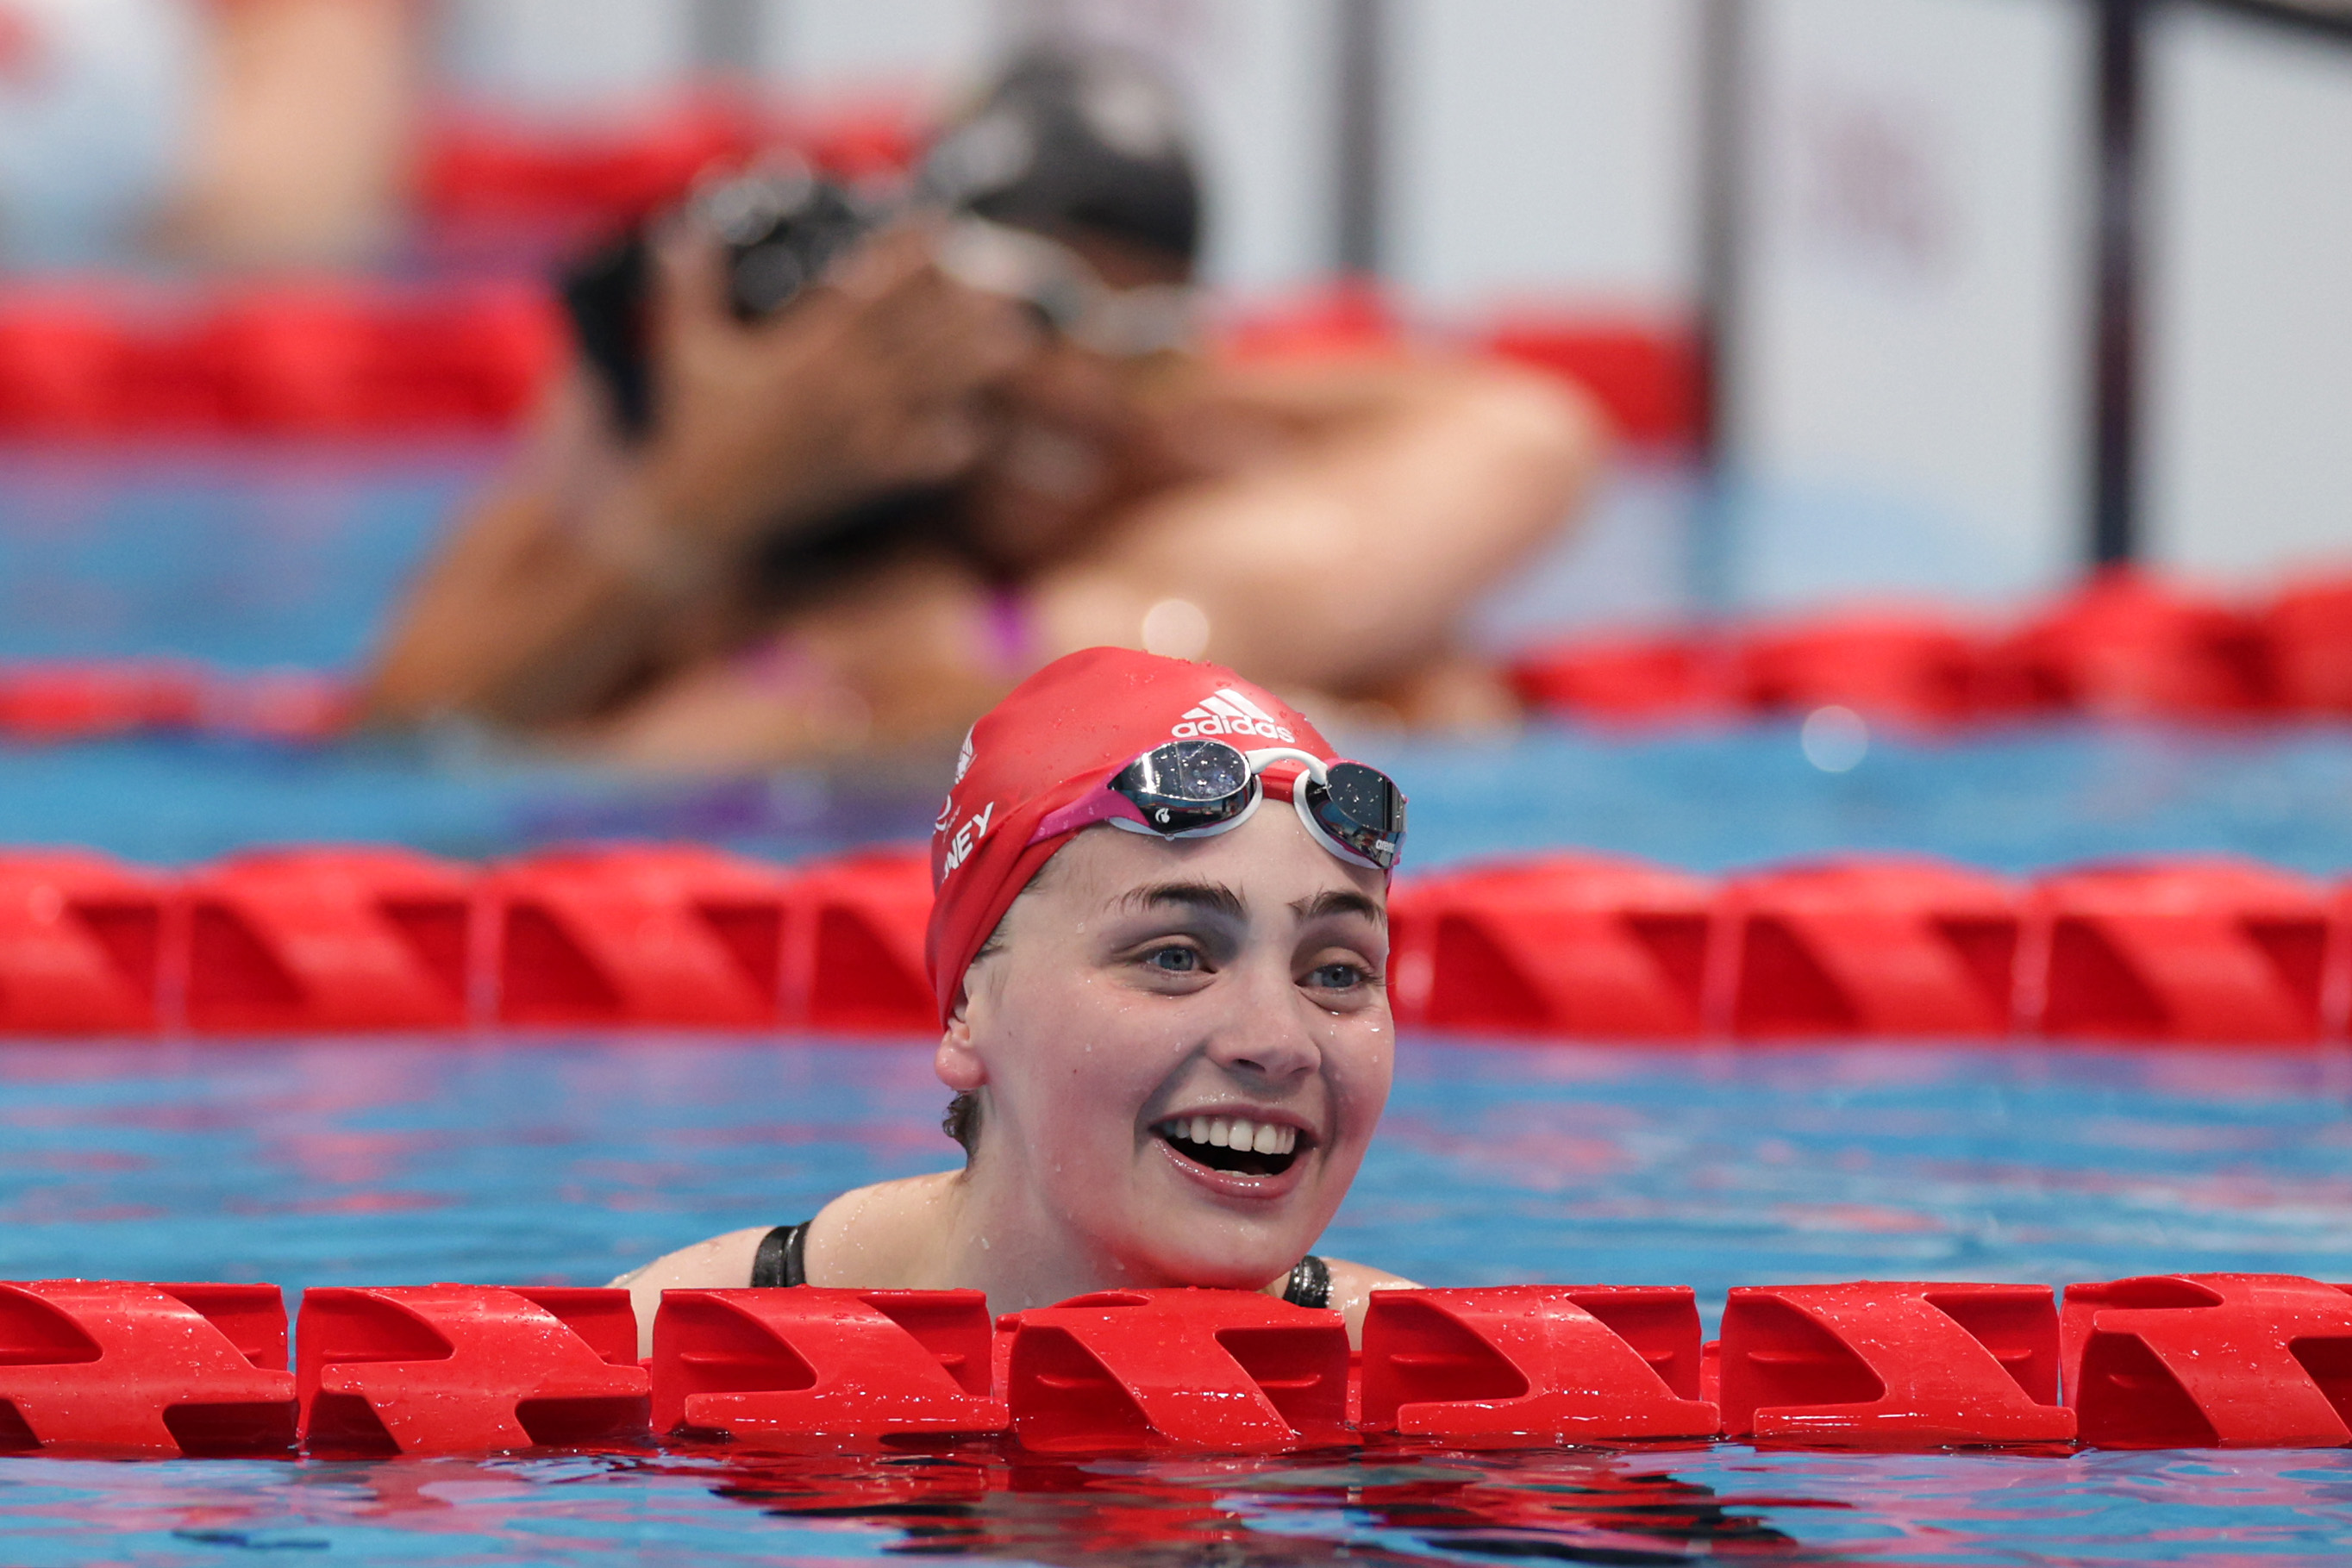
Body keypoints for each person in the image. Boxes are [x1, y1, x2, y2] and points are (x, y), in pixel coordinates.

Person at [366, 49, 1602, 772]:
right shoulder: (716, 476)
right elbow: (404, 741)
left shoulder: (1159, 526)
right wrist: (699, 500)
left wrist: (1165, 386)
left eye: (1131, 331)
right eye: (1023, 305)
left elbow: (1534, 429)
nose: (1061, 375)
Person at [614, 647, 1417, 1348]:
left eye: (1338, 973)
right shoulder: (663, 1340)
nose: (1279, 1040)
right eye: (1176, 956)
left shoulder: (1430, 1375)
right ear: (968, 1006)